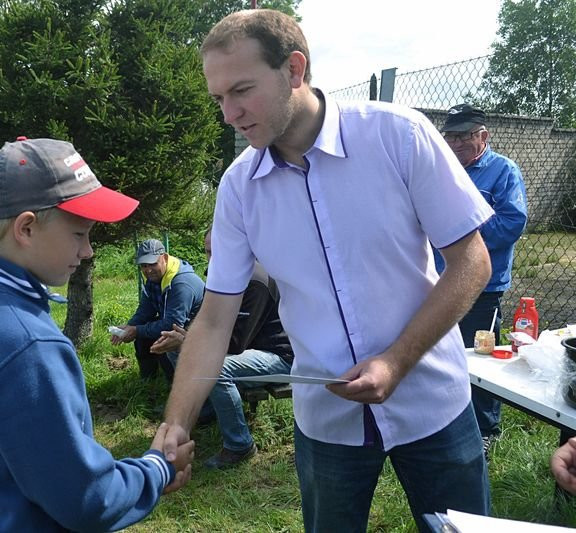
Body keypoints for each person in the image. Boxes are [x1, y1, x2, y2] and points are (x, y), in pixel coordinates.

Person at [161, 10, 495, 533]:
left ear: (294, 69)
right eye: (218, 98)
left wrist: (396, 361)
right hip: (326, 417)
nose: (229, 113)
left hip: (432, 400)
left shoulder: (397, 136)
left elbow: (472, 262)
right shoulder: (238, 188)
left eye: (241, 90)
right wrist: (176, 422)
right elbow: (213, 318)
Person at [0, 138, 194, 532]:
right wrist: (155, 470)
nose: (89, 252)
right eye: (80, 235)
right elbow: (88, 500)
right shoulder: (28, 342)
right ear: (26, 228)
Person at [150, 226, 293, 468]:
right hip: (247, 350)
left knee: (214, 368)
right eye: (208, 252)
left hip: (279, 356)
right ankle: (206, 408)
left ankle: (239, 445)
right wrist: (183, 339)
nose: (212, 259)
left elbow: (236, 344)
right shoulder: (221, 276)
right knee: (179, 350)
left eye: (219, 251)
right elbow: (209, 324)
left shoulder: (255, 280)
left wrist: (188, 342)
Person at [435, 104, 528, 457]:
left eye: (465, 136)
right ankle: (448, 421)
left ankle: (486, 429)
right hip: (439, 281)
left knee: (480, 355)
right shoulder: (443, 170)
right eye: (452, 136)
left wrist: (458, 230)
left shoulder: (503, 171)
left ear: (484, 136)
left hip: (481, 285)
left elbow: (511, 224)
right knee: (443, 353)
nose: (457, 143)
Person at [111, 239, 205, 381]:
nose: (148, 270)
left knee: (165, 339)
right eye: (144, 265)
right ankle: (148, 381)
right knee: (143, 336)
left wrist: (136, 330)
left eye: (153, 264)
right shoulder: (153, 278)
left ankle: (175, 384)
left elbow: (172, 324)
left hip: (196, 330)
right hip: (176, 324)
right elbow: (145, 310)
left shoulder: (182, 283)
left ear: (165, 258)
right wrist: (129, 328)